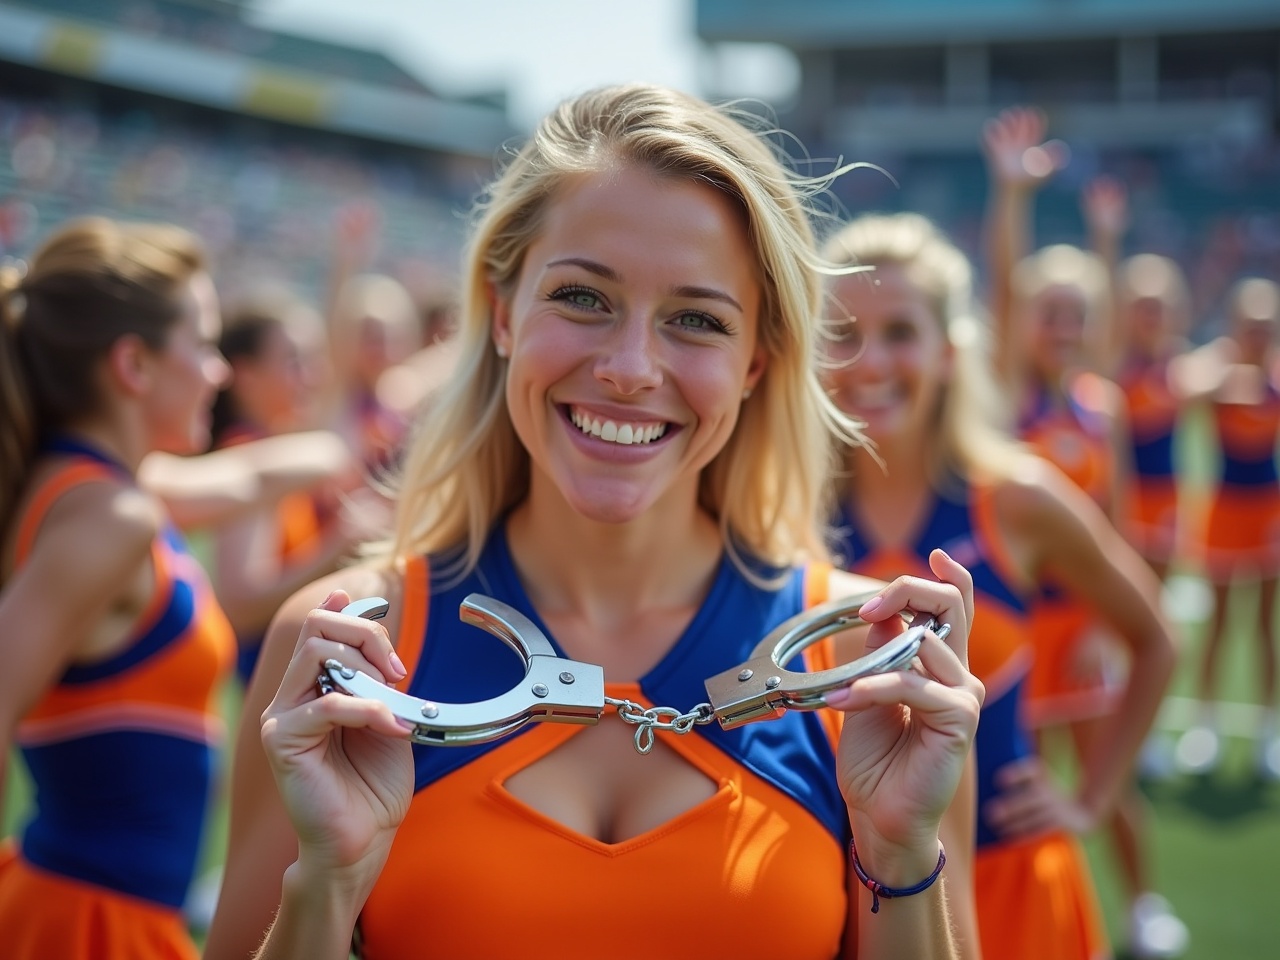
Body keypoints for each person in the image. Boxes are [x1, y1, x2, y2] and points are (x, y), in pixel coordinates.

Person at [204, 83, 984, 960]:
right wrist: (326, 886)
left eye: (696, 319)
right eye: (582, 298)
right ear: (502, 315)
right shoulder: (350, 647)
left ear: (757, 362)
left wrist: (898, 852)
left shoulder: (859, 660)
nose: (628, 367)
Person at [820, 212, 1178, 960]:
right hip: (851, 891)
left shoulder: (1016, 497)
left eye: (900, 333)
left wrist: (1088, 799)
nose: (870, 361)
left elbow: (1154, 640)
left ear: (950, 351)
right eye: (844, 333)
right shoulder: (785, 514)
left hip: (1016, 888)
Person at [982, 107, 1189, 958]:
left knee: (1109, 778)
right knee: (1006, 786)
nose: (1063, 328)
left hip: (1083, 628)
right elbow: (1002, 287)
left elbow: (1118, 528)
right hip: (1016, 628)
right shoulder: (1001, 400)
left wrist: (1113, 622)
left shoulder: (1098, 405)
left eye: (1077, 314)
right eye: (1049, 312)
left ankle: (1142, 907)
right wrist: (1012, 196)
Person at [0, 217, 235, 958]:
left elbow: (252, 477)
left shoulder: (99, 489)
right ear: (133, 363)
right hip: (89, 926)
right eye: (203, 345)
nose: (218, 371)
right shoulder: (112, 516)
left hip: (99, 912)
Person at [210, 288, 362, 684]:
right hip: (271, 680)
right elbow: (241, 603)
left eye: (315, 359)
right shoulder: (249, 458)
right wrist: (341, 541)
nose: (314, 375)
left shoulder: (280, 449)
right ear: (244, 375)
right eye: (296, 361)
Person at [1174, 277, 1280, 780]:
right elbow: (1183, 384)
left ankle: (1266, 736)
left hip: (1269, 512)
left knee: (1264, 627)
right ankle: (1206, 729)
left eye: (1267, 325)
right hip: (1222, 511)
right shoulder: (1218, 371)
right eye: (1251, 325)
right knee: (1215, 626)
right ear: (1236, 326)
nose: (1259, 334)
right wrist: (1230, 371)